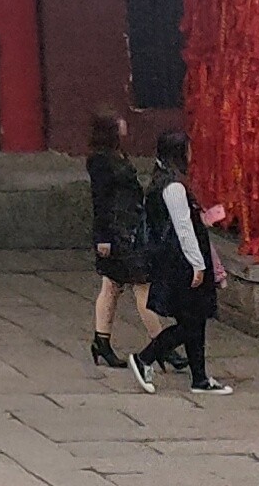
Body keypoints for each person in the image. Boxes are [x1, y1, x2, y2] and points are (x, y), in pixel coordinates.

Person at [128, 127, 233, 396]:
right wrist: (198, 264)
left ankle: (199, 378)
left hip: (174, 260)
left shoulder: (162, 181)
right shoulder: (173, 187)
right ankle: (145, 358)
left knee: (194, 321)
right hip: (181, 262)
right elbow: (183, 228)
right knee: (190, 323)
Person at [84, 113, 150, 370]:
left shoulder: (117, 155)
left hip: (128, 225)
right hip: (117, 231)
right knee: (140, 284)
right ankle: (161, 343)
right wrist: (102, 237)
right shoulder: (101, 161)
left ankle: (101, 341)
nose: (125, 126)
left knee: (111, 286)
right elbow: (100, 201)